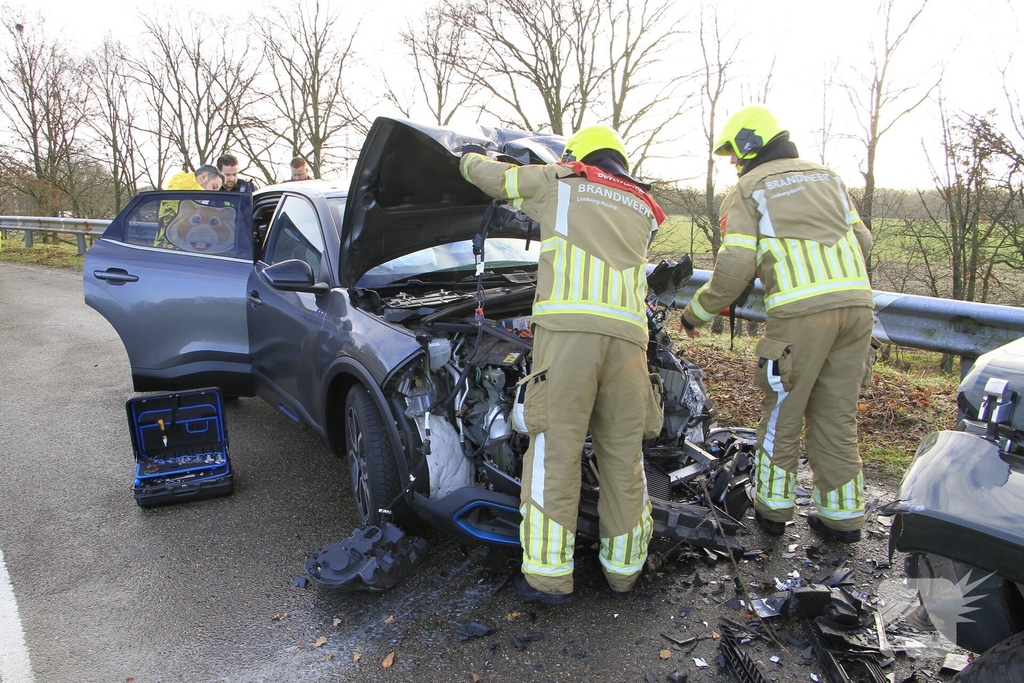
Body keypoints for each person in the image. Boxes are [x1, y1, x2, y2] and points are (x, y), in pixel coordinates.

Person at [460, 126, 666, 604]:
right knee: (623, 458)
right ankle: (624, 573)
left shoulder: (561, 180)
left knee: (555, 453)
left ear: (578, 155)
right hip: (631, 345)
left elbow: (498, 179)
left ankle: (549, 579)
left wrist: (466, 160)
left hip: (570, 339)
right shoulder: (644, 208)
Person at [679, 105, 874, 544]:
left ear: (749, 145)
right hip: (859, 308)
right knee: (837, 417)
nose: (732, 161)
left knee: (783, 413)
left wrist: (698, 313)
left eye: (733, 153)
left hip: (800, 317)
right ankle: (842, 520)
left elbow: (736, 264)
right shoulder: (829, 178)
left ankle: (772, 513)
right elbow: (863, 239)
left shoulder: (750, 188)